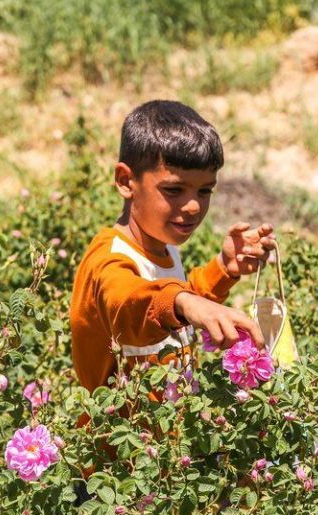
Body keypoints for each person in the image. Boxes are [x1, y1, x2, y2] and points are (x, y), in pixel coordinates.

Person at [69, 100, 276, 394]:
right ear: (126, 181)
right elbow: (129, 304)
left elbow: (174, 308)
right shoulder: (108, 258)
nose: (193, 206)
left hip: (170, 436)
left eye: (204, 191)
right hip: (117, 438)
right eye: (174, 190)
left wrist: (223, 269)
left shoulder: (161, 247)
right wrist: (185, 302)